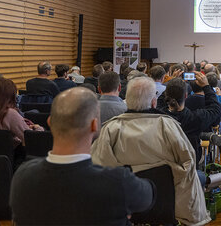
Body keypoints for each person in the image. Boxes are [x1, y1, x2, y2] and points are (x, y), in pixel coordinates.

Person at [11, 87, 155, 225]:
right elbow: (150, 196)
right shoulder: (118, 182)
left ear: (50, 122)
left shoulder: (21, 176)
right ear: (94, 125)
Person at [91, 78, 210, 226]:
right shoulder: (168, 127)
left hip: (126, 206)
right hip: (165, 205)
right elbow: (188, 163)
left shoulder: (110, 129)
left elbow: (98, 168)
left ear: (126, 100)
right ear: (154, 102)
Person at [157, 74, 221, 163]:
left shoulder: (158, 115)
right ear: (186, 96)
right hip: (189, 164)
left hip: (164, 162)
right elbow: (215, 109)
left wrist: (172, 83)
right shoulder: (195, 118)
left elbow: (160, 101)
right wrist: (206, 87)